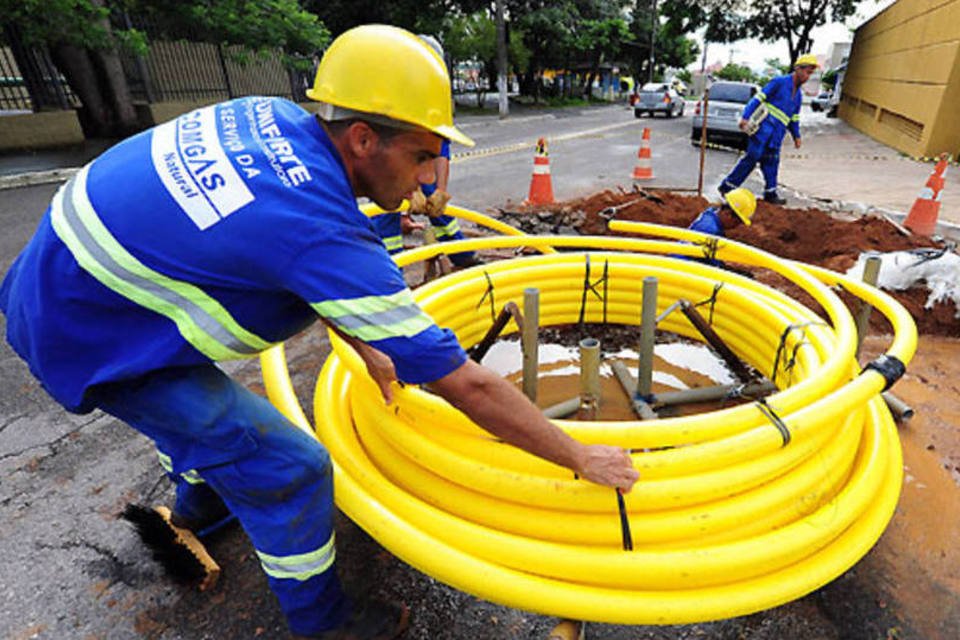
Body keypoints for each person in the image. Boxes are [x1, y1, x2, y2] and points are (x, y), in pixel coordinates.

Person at [0, 24, 638, 640]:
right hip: (91, 333)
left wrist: (367, 340)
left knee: (211, 424)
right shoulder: (320, 230)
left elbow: (283, 254)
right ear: (362, 139)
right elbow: (466, 384)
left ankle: (200, 510)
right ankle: (322, 621)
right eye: (420, 155)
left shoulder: (269, 116)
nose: (426, 179)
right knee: (294, 465)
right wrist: (579, 455)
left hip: (57, 277)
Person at [371, 34, 479, 269]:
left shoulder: (436, 99)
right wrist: (412, 191)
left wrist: (440, 191)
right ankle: (390, 268)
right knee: (386, 206)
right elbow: (396, 153)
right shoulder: (394, 99)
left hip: (410, 160)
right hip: (390, 164)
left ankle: (461, 254)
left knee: (434, 201)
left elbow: (441, 150)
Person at [718, 54, 819, 205]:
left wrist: (796, 136)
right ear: (798, 69)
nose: (807, 77)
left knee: (772, 161)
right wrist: (746, 117)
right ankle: (728, 186)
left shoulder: (798, 95)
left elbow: (794, 118)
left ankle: (770, 193)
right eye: (807, 72)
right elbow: (759, 98)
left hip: (777, 135)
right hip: (763, 129)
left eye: (810, 74)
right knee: (753, 156)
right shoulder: (779, 82)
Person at [686, 188, 756, 267]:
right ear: (728, 214)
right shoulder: (709, 229)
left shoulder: (711, 213)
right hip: (682, 270)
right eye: (737, 222)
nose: (736, 226)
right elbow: (708, 262)